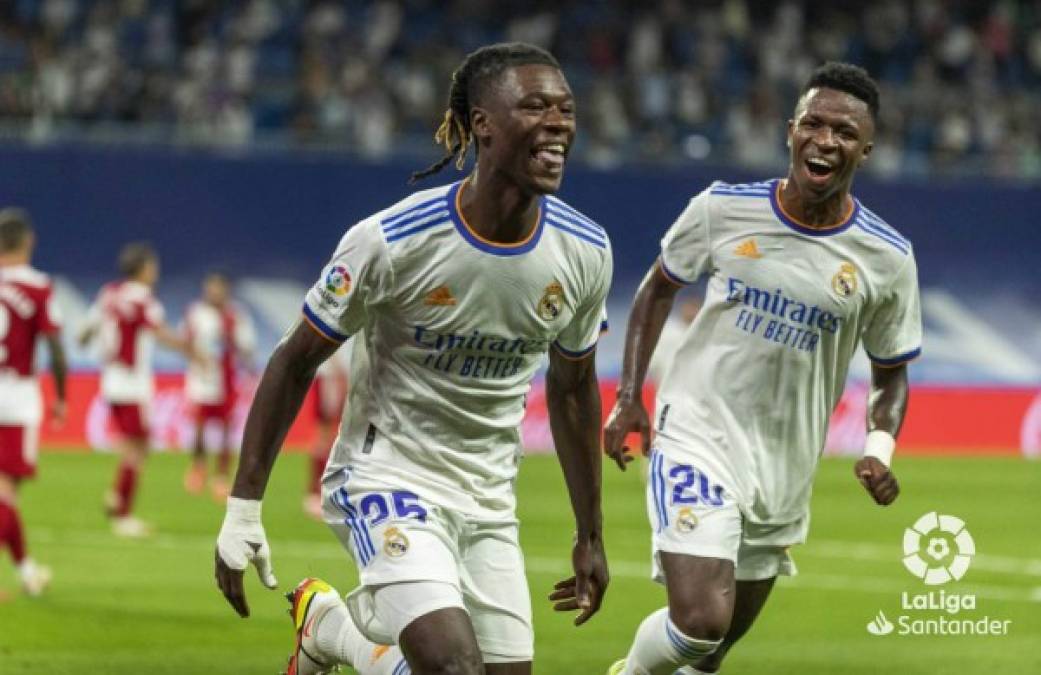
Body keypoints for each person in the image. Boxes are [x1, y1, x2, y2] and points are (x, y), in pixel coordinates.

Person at [214, 41, 613, 675]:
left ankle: (328, 630)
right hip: (386, 475)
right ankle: (345, 636)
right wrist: (243, 509)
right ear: (483, 122)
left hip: (488, 495)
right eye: (535, 106)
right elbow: (294, 361)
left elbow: (573, 388)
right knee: (452, 668)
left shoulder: (584, 251)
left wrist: (589, 533)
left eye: (566, 109)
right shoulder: (392, 242)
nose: (558, 123)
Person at [603, 62, 921, 675]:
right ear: (790, 131)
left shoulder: (886, 257)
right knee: (699, 622)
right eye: (814, 123)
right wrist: (628, 394)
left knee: (711, 652)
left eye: (844, 132)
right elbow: (657, 288)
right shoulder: (723, 209)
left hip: (785, 463)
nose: (826, 140)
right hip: (698, 430)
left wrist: (880, 449)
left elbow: (891, 370)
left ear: (866, 149)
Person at [79, 243, 192, 538]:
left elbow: (86, 330)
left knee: (132, 447)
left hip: (110, 381)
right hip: (133, 383)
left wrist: (86, 340)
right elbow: (160, 331)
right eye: (152, 265)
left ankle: (116, 497)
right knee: (138, 450)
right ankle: (123, 514)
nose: (155, 271)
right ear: (142, 268)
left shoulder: (109, 293)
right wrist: (191, 350)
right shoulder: (143, 299)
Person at [0, 208, 66, 596]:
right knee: (7, 494)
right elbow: (55, 346)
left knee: (5, 496)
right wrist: (60, 396)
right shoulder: (38, 287)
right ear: (28, 243)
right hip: (17, 399)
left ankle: (27, 571)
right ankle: (26, 571)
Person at [182, 272, 256, 501]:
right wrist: (197, 358)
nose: (213, 292)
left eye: (218, 288)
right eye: (210, 287)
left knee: (226, 430)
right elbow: (184, 342)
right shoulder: (196, 313)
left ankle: (221, 476)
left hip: (226, 380)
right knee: (199, 427)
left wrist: (232, 339)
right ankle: (198, 466)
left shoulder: (236, 315)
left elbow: (247, 349)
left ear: (226, 290)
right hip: (201, 379)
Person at [304, 345, 349, 519]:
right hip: (330, 377)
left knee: (332, 435)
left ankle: (323, 490)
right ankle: (315, 491)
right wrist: (337, 369)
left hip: (337, 375)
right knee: (325, 434)